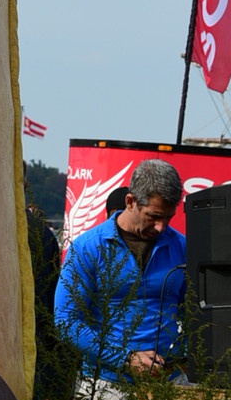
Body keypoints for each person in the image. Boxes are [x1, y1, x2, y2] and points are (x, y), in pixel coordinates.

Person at [54, 158, 186, 381]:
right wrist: (125, 358)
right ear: (130, 201)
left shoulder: (182, 247)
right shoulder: (88, 248)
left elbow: (198, 313)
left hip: (170, 381)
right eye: (154, 216)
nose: (161, 227)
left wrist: (185, 357)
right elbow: (66, 322)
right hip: (106, 384)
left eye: (168, 217)